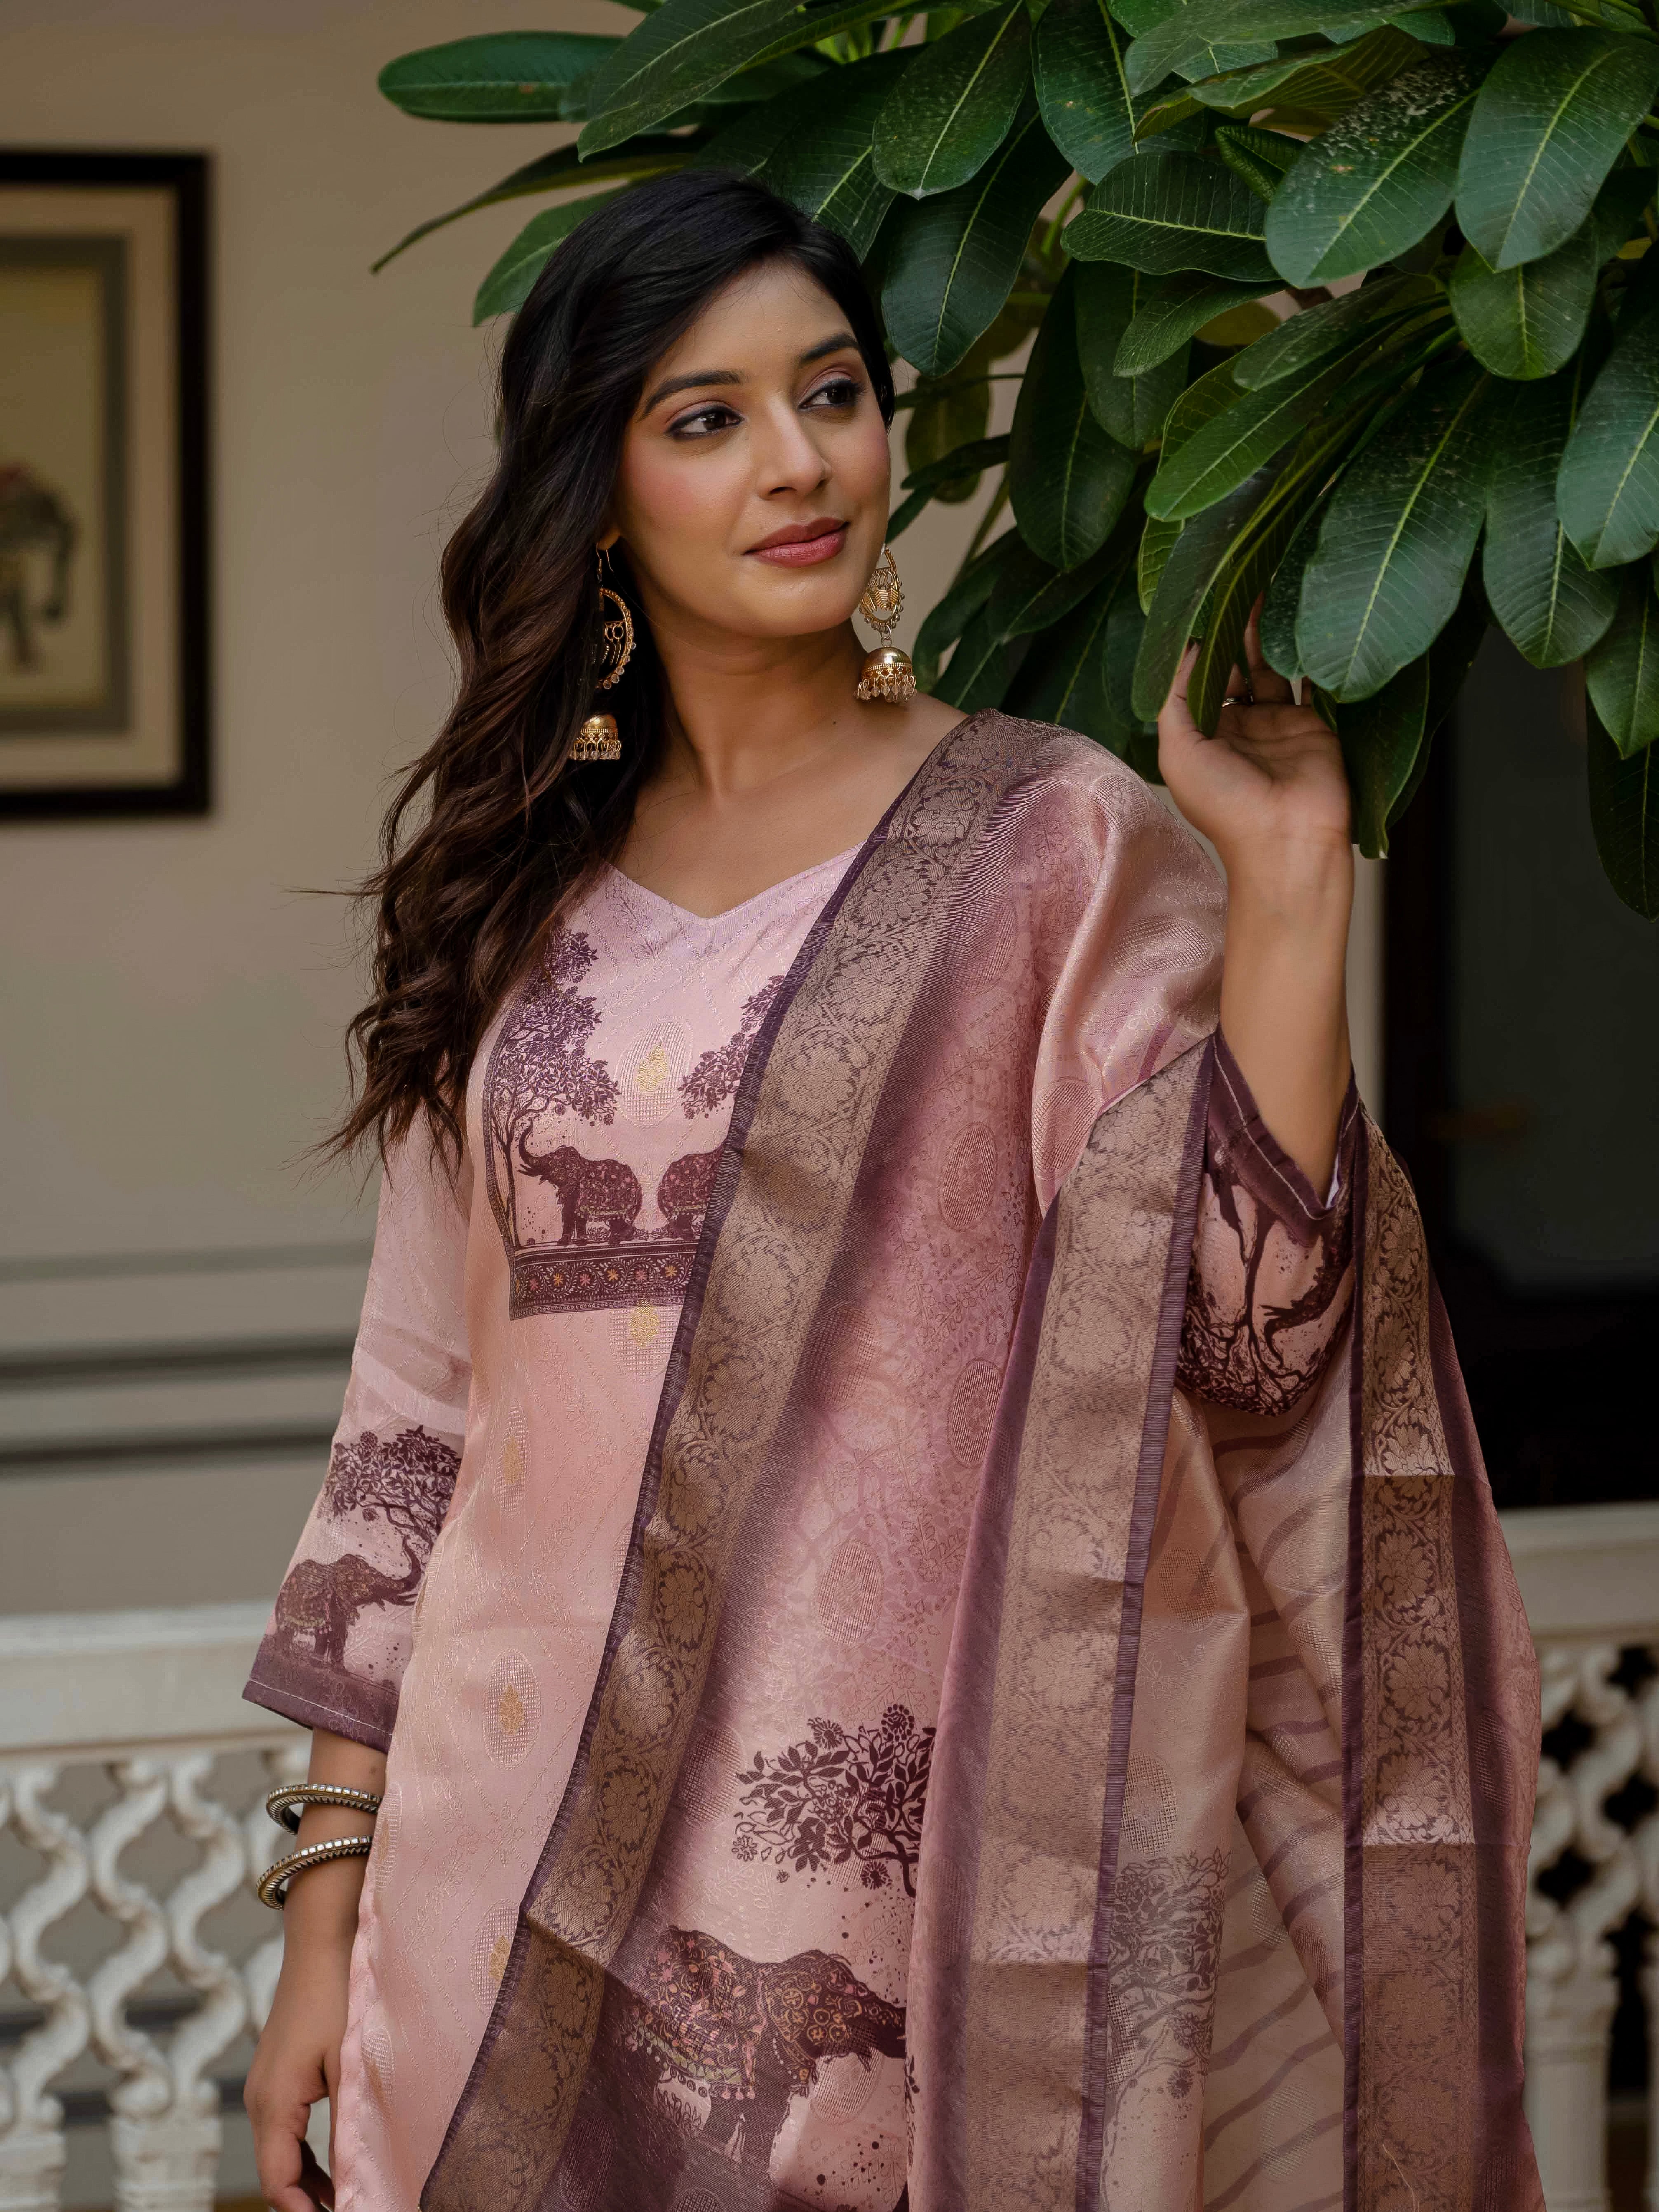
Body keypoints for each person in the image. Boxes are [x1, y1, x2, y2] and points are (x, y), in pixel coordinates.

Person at [242, 170, 1541, 2212]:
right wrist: (327, 1902)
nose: (796, 462)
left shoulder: (1050, 850)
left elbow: (1254, 1341)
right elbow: (414, 1425)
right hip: (485, 1887)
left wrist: (1289, 895)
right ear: (596, 493)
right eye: (706, 417)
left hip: (890, 1884)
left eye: (830, 392)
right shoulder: (512, 907)